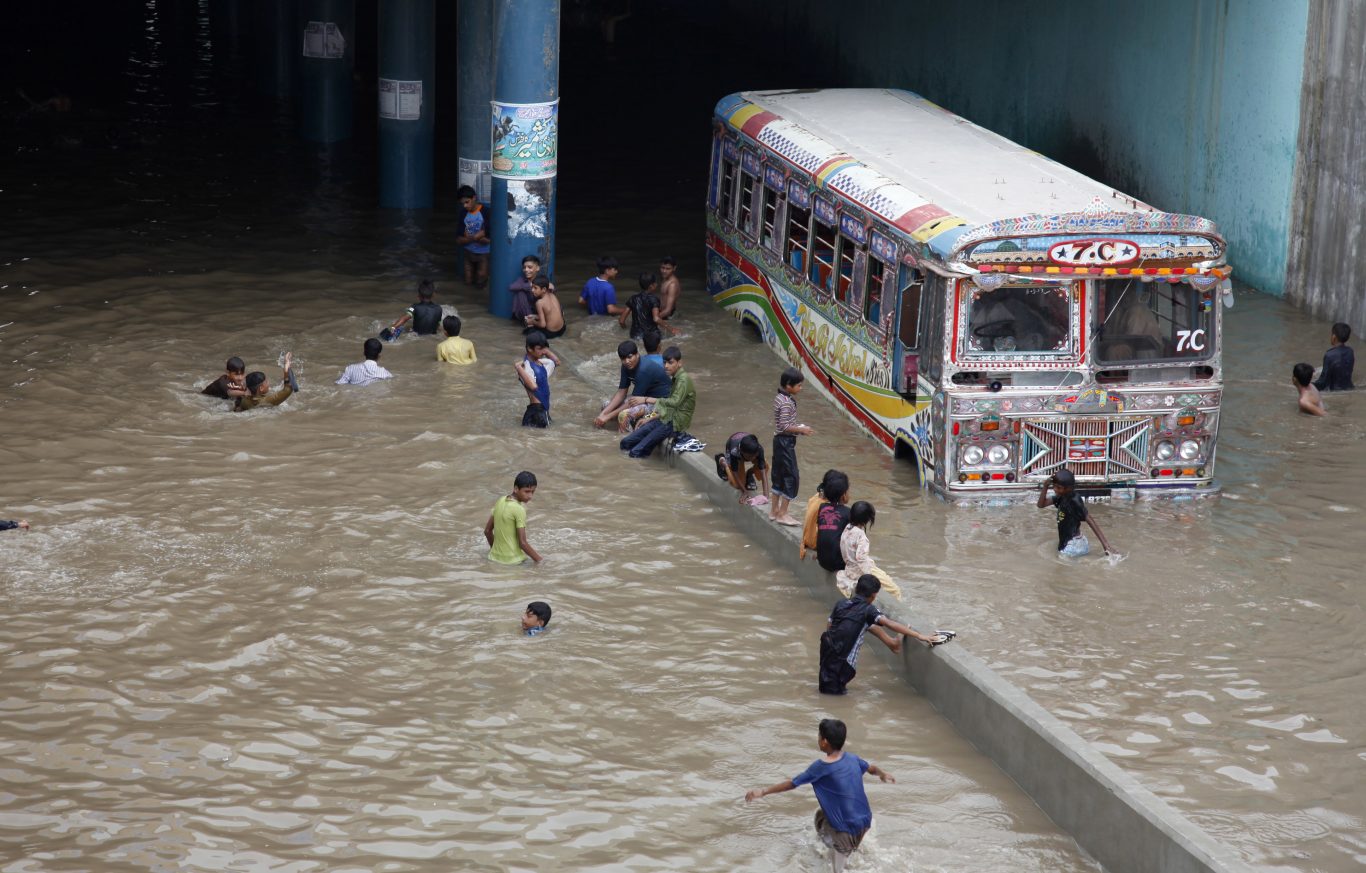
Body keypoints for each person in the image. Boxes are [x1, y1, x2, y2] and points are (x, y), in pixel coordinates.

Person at [745, 718, 895, 873]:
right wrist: (883, 774)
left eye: (818, 736)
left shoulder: (821, 767)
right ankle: (847, 850)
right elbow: (872, 768)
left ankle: (842, 851)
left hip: (845, 830)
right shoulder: (852, 758)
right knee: (821, 815)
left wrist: (763, 792)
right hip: (865, 820)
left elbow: (792, 783)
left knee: (837, 870)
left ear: (824, 742)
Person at [820, 574, 939, 695]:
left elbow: (830, 628)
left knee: (863, 623)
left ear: (856, 589)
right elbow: (889, 623)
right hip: (843, 667)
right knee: (836, 694)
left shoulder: (841, 604)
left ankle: (893, 644)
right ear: (874, 596)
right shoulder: (868, 609)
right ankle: (893, 644)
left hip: (826, 660)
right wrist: (919, 636)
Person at [620, 346, 694, 458]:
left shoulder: (683, 380)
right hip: (665, 418)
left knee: (635, 453)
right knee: (625, 443)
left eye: (670, 362)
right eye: (664, 363)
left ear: (679, 363)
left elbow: (674, 403)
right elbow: (669, 408)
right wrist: (650, 418)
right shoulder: (674, 378)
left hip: (675, 424)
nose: (666, 366)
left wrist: (645, 399)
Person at [1037, 468, 1114, 557]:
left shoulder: (1074, 500)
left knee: (1061, 569)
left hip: (1073, 545)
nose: (1054, 489)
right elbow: (1041, 505)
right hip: (1074, 543)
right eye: (1053, 486)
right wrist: (1046, 485)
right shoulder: (1060, 497)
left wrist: (1106, 546)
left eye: (1058, 487)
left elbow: (1090, 519)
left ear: (1068, 488)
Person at [594, 340, 671, 428]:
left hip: (660, 403)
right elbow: (621, 393)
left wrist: (607, 416)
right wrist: (602, 415)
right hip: (642, 398)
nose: (627, 361)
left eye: (630, 357)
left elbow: (633, 402)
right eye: (623, 359)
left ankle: (623, 438)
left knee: (624, 415)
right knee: (605, 405)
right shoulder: (626, 366)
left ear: (637, 354)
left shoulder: (644, 369)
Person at [770, 367, 812, 526]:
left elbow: (782, 424)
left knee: (778, 475)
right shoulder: (787, 402)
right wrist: (802, 430)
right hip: (785, 443)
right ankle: (783, 513)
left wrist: (798, 428)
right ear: (789, 385)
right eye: (799, 385)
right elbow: (785, 426)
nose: (800, 388)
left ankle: (774, 511)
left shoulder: (779, 397)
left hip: (778, 442)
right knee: (792, 477)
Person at [834, 501, 902, 598]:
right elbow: (861, 558)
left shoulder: (847, 528)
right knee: (895, 590)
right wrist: (869, 577)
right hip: (861, 571)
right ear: (867, 519)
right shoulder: (861, 536)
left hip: (849, 569)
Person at [484, 471, 543, 564]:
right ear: (516, 489)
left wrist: (496, 553)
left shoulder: (500, 500)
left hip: (493, 558)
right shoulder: (519, 509)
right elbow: (522, 543)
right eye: (526, 491)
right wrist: (540, 561)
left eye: (533, 492)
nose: (530, 496)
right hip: (514, 562)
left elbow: (487, 531)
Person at [802, 471, 851, 571]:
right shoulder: (847, 512)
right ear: (843, 494)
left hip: (821, 559)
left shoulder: (822, 506)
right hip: (837, 563)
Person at [516, 331, 560, 428]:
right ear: (529, 349)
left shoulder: (540, 363)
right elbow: (533, 386)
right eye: (539, 349)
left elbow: (556, 361)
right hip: (536, 411)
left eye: (545, 348)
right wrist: (518, 368)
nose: (543, 351)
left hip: (543, 410)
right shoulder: (525, 366)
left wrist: (544, 347)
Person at [618, 272, 678, 340]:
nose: (657, 284)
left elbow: (621, 321)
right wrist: (672, 329)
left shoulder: (633, 298)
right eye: (655, 283)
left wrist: (625, 329)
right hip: (650, 336)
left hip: (635, 335)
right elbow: (656, 319)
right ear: (651, 286)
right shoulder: (654, 299)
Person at [714, 432, 769, 505]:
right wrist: (745, 491)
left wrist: (765, 497)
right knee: (737, 485)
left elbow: (763, 472)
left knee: (766, 465)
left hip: (745, 447)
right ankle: (723, 462)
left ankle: (749, 474)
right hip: (732, 446)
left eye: (755, 455)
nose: (753, 458)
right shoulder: (734, 452)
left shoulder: (758, 449)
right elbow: (735, 472)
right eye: (750, 457)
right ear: (742, 452)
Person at [456, 185, 491, 289]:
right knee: (468, 280)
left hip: (483, 253)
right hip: (468, 252)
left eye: (467, 202)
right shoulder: (463, 213)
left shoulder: (485, 212)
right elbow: (459, 238)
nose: (465, 206)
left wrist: (469, 238)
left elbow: (488, 237)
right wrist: (475, 237)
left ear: (474, 198)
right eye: (462, 203)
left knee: (481, 277)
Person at [1312, 322, 1355, 391]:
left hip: (1334, 390)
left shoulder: (1329, 355)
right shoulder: (1350, 351)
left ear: (1334, 337)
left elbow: (1323, 381)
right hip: (1349, 387)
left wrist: (1309, 384)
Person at [508, 255, 541, 324]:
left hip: (538, 312)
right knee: (520, 293)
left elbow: (550, 288)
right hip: (524, 312)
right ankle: (528, 321)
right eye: (524, 267)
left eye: (530, 267)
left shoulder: (541, 280)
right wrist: (528, 286)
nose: (526, 270)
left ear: (537, 268)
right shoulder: (522, 280)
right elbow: (511, 287)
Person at [657, 255, 681, 319]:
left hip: (667, 316)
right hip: (662, 313)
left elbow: (668, 310)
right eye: (662, 267)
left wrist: (654, 319)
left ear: (674, 268)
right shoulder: (664, 278)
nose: (664, 271)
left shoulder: (672, 285)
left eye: (668, 269)